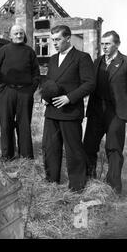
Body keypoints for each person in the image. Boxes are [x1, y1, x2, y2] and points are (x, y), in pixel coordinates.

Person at [41, 25, 95, 192]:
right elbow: (48, 81)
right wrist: (45, 98)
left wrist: (69, 98)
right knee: (50, 148)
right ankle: (52, 181)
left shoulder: (82, 57)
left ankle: (77, 186)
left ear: (68, 38)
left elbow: (90, 84)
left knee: (73, 150)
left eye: (58, 39)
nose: (54, 43)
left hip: (70, 112)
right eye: (53, 40)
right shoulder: (52, 58)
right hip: (52, 111)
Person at [83, 31, 127, 194]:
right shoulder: (97, 62)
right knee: (88, 146)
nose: (104, 47)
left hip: (116, 112)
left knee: (114, 149)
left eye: (108, 44)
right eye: (102, 44)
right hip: (96, 110)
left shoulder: (126, 62)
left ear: (117, 44)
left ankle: (113, 188)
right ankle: (89, 181)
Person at [0, 24, 40, 160]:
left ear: (24, 35)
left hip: (25, 92)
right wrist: (0, 78)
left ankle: (26, 155)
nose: (18, 36)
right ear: (10, 36)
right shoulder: (3, 50)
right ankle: (7, 155)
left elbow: (36, 73)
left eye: (21, 33)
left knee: (24, 124)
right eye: (15, 33)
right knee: (6, 124)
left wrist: (31, 90)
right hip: (7, 91)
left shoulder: (30, 52)